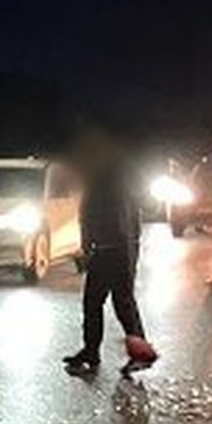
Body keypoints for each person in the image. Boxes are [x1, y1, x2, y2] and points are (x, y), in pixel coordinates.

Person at [64, 127, 159, 377]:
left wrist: (110, 243)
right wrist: (88, 244)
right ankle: (92, 351)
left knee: (121, 301)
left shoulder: (115, 176)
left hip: (117, 247)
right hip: (108, 247)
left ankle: (141, 353)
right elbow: (88, 213)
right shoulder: (104, 175)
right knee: (94, 302)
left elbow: (119, 214)